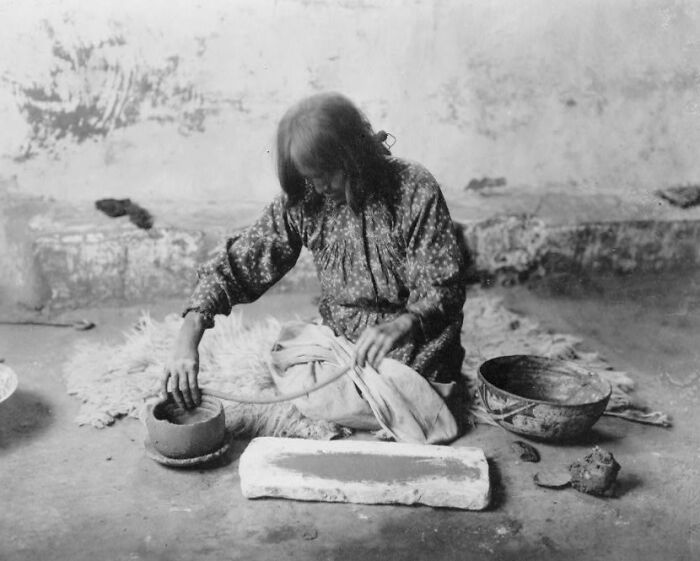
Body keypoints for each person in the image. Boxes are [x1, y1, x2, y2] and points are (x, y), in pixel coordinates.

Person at [161, 92, 467, 442]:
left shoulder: (414, 188)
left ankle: (398, 400)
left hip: (416, 349)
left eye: (325, 175)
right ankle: (383, 404)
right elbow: (241, 262)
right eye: (310, 178)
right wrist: (190, 333)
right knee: (292, 365)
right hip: (344, 344)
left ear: (353, 156)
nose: (319, 187)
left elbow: (444, 287)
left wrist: (405, 323)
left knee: (420, 386)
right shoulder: (308, 199)